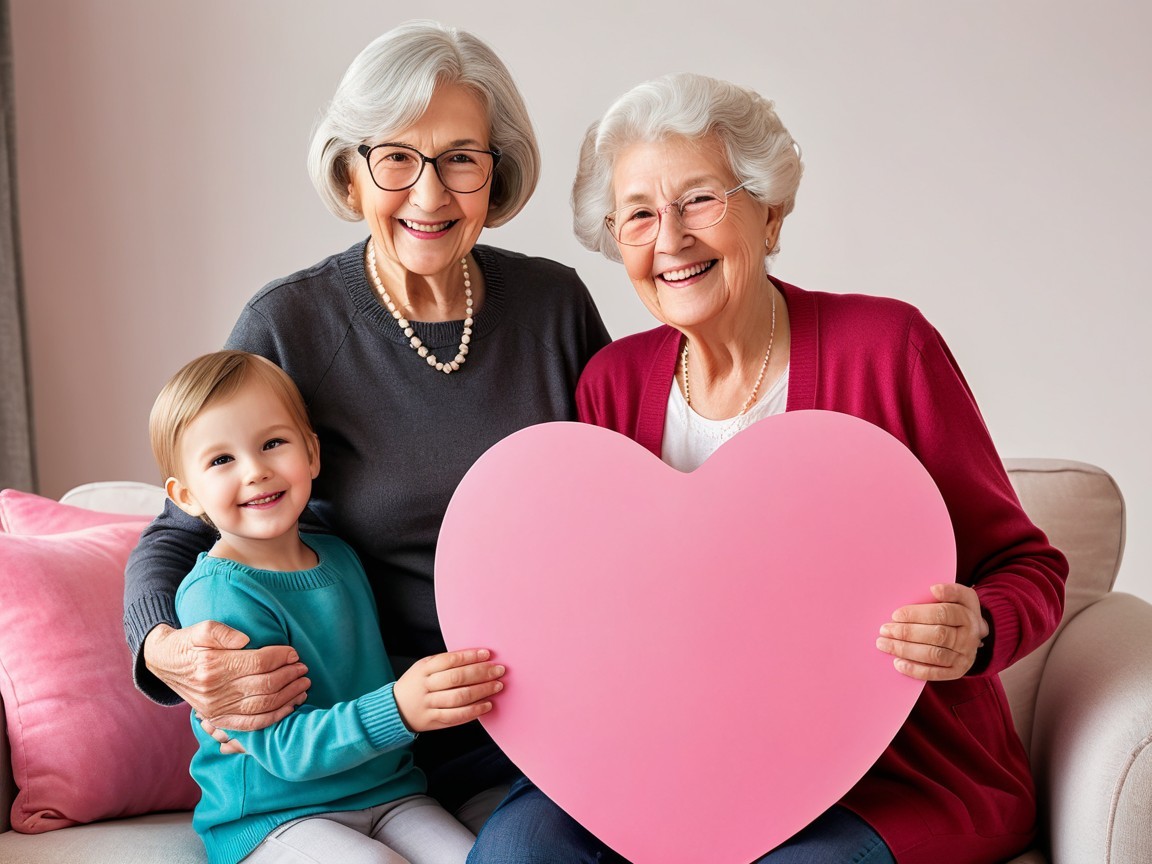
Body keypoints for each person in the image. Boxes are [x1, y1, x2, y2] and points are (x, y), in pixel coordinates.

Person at [468, 73, 1069, 864]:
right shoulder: (611, 384)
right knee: (518, 850)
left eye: (701, 201)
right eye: (639, 215)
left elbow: (1027, 565)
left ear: (771, 209)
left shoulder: (889, 350)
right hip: (658, 768)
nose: (670, 239)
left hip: (890, 774)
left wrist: (979, 628)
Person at [124, 20, 610, 837]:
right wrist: (162, 650)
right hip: (367, 740)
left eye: (461, 157)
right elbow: (179, 531)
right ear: (352, 175)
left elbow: (629, 496)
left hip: (548, 720)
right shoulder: (292, 325)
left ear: (498, 174)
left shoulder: (554, 306)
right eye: (396, 158)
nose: (430, 194)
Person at [151, 350, 502, 864]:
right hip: (275, 817)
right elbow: (282, 749)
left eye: (274, 443)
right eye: (221, 460)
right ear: (186, 495)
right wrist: (402, 707)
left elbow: (357, 674)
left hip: (390, 794)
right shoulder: (217, 594)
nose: (255, 471)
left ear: (312, 454)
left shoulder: (341, 557)